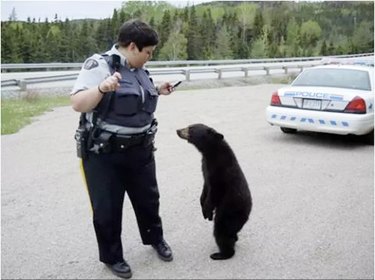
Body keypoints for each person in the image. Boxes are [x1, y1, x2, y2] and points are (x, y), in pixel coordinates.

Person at [70, 19, 175, 279]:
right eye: (148, 52)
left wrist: (157, 90)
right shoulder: (100, 65)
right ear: (131, 46)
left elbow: (132, 100)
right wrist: (100, 88)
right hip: (105, 154)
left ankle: (155, 239)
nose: (150, 58)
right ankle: (112, 257)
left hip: (141, 151)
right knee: (107, 208)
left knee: (149, 201)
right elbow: (78, 103)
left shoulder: (139, 69)